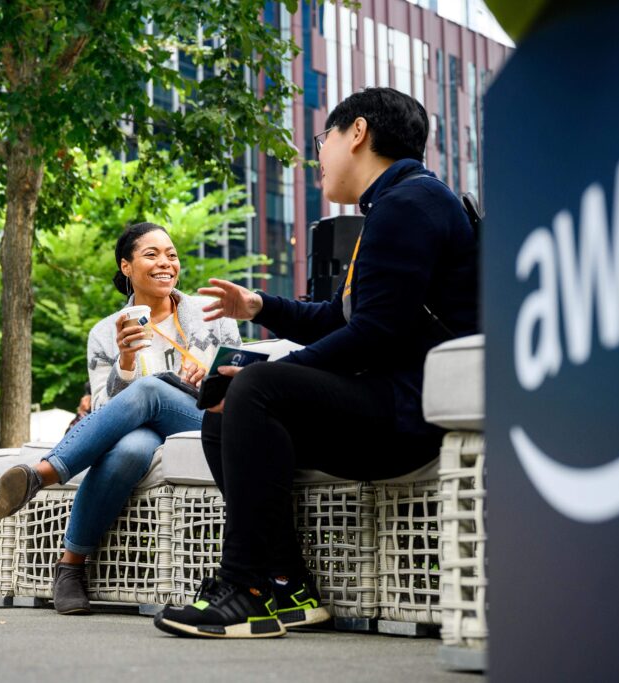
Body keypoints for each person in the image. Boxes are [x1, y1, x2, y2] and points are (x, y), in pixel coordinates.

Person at [153, 87, 478, 639]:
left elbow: (373, 334)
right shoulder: (398, 203)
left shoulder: (409, 204)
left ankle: (245, 589)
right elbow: (345, 315)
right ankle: (287, 586)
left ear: (357, 132)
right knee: (221, 417)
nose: (318, 154)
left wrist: (275, 374)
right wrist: (260, 307)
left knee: (255, 389)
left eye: (322, 138)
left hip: (411, 413)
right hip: (395, 401)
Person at [0, 222, 241, 614]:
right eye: (151, 254)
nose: (165, 263)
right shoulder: (105, 333)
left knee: (153, 389)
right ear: (126, 267)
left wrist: (211, 377)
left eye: (171, 254)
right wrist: (124, 362)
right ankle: (70, 568)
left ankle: (42, 473)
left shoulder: (211, 314)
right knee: (127, 450)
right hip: (142, 431)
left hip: (203, 418)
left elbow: (240, 375)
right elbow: (105, 414)